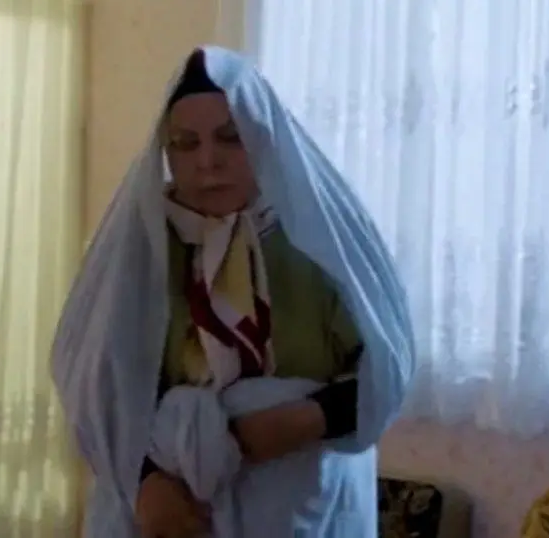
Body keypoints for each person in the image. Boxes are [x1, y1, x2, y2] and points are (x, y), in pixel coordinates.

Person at [52, 46, 415, 538]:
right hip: (173, 507)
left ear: (264, 137)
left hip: (304, 501)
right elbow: (96, 386)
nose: (208, 162)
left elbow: (385, 372)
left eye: (230, 137)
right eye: (186, 144)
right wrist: (144, 485)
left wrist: (298, 421)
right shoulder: (139, 252)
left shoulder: (324, 239)